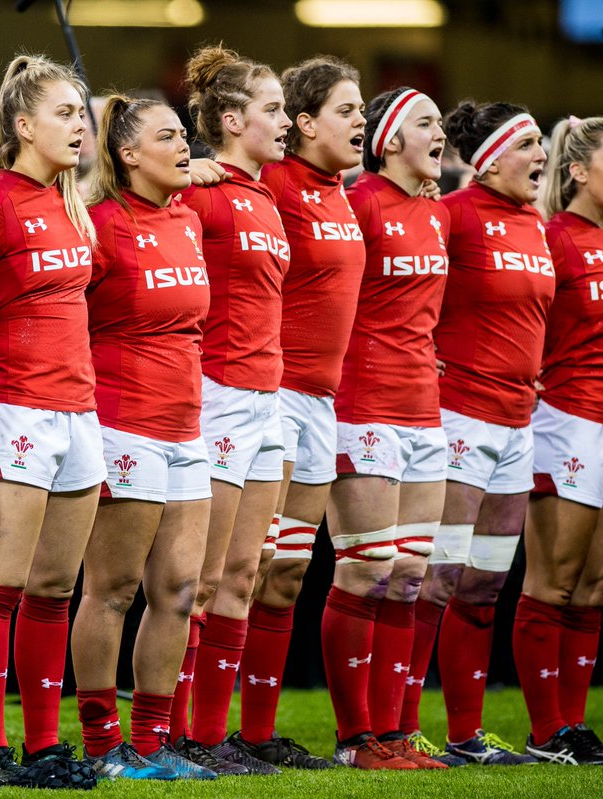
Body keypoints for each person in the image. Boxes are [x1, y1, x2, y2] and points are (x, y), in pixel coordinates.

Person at [0, 53, 101, 790]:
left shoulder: (71, 200)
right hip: (13, 403)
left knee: (53, 588)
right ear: (22, 125)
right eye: (66, 113)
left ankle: (44, 745)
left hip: (79, 409)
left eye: (82, 113)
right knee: (0, 583)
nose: (81, 126)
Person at [69, 94, 216, 781]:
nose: (185, 146)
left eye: (185, 135)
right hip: (123, 420)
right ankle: (103, 746)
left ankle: (153, 744)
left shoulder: (187, 216)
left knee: (180, 590)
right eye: (168, 136)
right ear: (128, 154)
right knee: (114, 589)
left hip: (189, 426)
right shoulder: (99, 223)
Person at [401, 101, 552, 766]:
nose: (542, 155)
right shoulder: (450, 214)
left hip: (520, 422)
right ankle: (399, 728)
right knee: (436, 580)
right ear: (490, 157)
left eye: (546, 143)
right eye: (531, 145)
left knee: (485, 586)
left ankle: (465, 735)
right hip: (459, 414)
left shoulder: (537, 223)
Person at [316, 85, 453, 770]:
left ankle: (396, 733)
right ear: (390, 139)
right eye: (427, 124)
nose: (442, 135)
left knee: (410, 576)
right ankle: (354, 738)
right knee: (365, 566)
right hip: (364, 405)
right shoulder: (360, 202)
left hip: (426, 410)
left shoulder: (438, 216)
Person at [245, 54, 368, 771]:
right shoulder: (277, 185)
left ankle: (258, 733)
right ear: (302, 121)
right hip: (271, 394)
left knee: (288, 570)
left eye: (361, 112)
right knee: (247, 566)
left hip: (323, 401)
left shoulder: (339, 191)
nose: (360, 122)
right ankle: (202, 730)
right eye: (347, 111)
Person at [173, 44, 291, 776]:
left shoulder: (264, 195)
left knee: (246, 574)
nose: (284, 123)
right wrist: (182, 170)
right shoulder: (198, 190)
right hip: (213, 393)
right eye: (273, 110)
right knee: (202, 578)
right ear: (228, 118)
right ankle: (175, 731)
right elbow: (109, 214)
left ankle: (213, 737)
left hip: (266, 399)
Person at [516, 115, 603, 766]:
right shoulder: (549, 238)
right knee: (553, 582)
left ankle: (573, 726)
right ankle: (547, 730)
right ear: (576, 170)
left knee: (595, 586)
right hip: (567, 420)